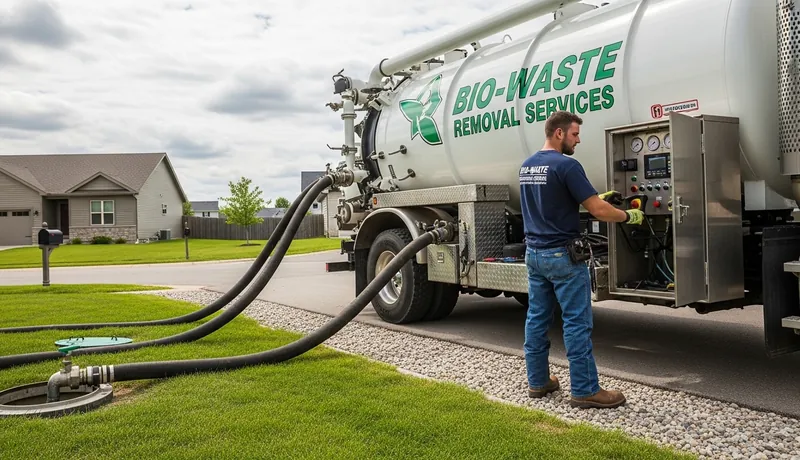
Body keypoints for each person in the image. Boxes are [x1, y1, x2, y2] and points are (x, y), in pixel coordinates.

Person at [518, 110, 644, 409]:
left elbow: (554, 200)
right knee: (576, 323)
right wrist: (629, 215)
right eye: (575, 134)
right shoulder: (567, 165)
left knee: (537, 319)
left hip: (534, 254)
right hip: (562, 256)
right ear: (559, 133)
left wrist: (595, 195)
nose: (578, 140)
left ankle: (538, 382)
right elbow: (599, 212)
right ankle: (586, 390)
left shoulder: (527, 166)